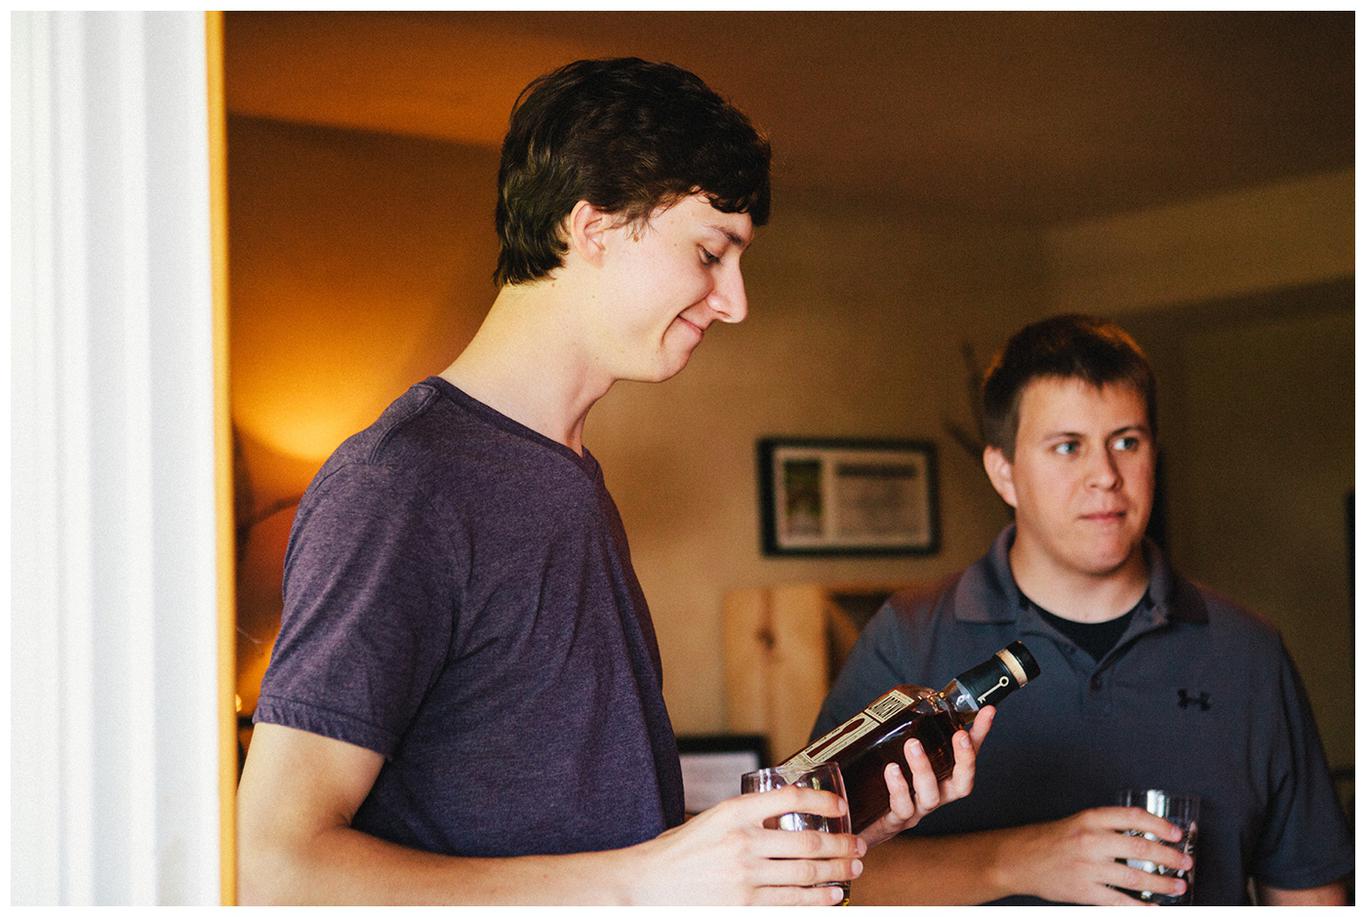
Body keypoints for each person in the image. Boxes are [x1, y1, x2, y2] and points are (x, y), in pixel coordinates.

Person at [236, 57, 988, 905]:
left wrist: (795, 845)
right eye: (710, 252)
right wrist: (645, 883)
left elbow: (595, 849)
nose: (735, 301)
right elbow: (274, 867)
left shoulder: (570, 480)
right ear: (592, 228)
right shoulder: (403, 483)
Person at [811, 314, 1353, 905]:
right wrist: (1018, 860)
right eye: (1068, 447)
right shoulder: (908, 639)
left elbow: (1308, 893)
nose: (1105, 476)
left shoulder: (1248, 651)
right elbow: (814, 874)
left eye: (1127, 442)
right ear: (1004, 473)